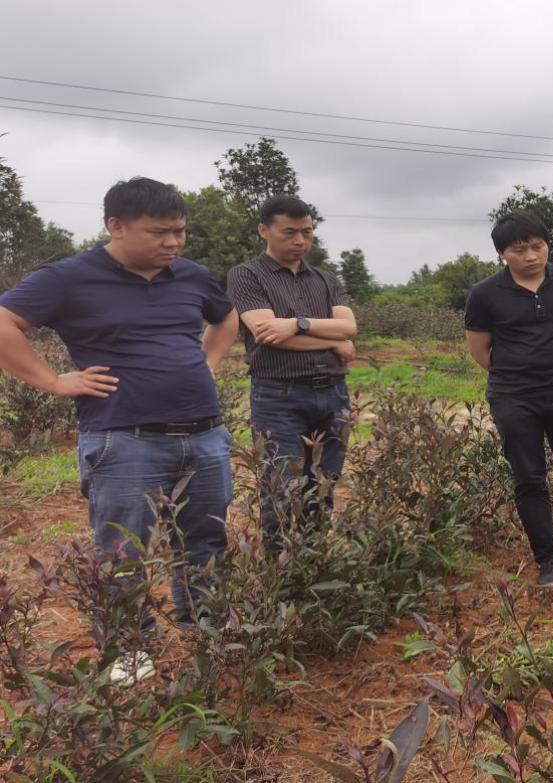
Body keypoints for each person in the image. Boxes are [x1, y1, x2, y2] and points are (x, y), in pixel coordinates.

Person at [0, 177, 238, 685]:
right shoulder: (69, 276)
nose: (172, 242)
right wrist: (52, 381)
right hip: (125, 439)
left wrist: (209, 363)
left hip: (204, 435)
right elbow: (4, 322)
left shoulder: (191, 275)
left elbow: (226, 319)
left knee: (205, 540)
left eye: (179, 231)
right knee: (122, 552)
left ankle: (206, 632)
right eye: (159, 232)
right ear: (116, 226)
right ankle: (130, 650)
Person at [464, 211, 553, 586]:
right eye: (519, 250)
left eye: (537, 246)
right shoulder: (484, 294)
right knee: (529, 480)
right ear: (502, 254)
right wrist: (519, 375)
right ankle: (548, 562)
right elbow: (480, 351)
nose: (531, 256)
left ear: (547, 245)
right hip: (514, 399)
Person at [225, 196, 357, 553]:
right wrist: (334, 342)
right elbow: (267, 334)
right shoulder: (246, 275)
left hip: (334, 393)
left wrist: (297, 324)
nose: (300, 241)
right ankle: (279, 571)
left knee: (323, 484)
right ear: (264, 230)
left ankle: (313, 562)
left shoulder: (326, 279)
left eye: (307, 232)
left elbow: (349, 325)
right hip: (278, 395)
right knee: (281, 488)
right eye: (289, 232)